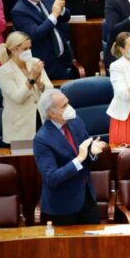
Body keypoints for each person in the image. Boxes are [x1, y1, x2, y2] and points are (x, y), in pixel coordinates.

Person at [34, 88, 108, 225]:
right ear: (51, 113)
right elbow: (51, 177)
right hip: (63, 206)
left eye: (68, 103)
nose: (69, 108)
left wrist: (92, 151)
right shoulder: (41, 139)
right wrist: (78, 159)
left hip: (87, 198)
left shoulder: (76, 121)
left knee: (94, 244)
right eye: (64, 106)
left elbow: (85, 147)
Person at [11, 0, 73, 80]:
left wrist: (61, 9)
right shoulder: (19, 11)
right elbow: (36, 35)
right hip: (45, 65)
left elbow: (66, 17)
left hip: (63, 58)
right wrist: (54, 14)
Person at [0, 31, 53, 144]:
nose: (29, 51)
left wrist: (39, 83)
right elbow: (18, 98)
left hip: (41, 121)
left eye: (30, 48)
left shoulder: (35, 62)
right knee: (24, 161)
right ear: (13, 49)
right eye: (25, 49)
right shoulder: (4, 71)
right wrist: (31, 78)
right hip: (19, 129)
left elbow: (50, 91)